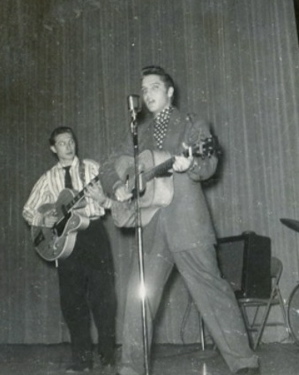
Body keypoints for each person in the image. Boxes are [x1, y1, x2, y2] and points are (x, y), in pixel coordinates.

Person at [99, 66, 260, 375]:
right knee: (138, 298)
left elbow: (208, 161)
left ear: (170, 92)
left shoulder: (191, 124)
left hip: (187, 222)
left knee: (212, 291)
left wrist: (191, 165)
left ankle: (245, 364)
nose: (147, 95)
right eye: (144, 90)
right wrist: (118, 185)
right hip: (152, 227)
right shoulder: (140, 134)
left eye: (154, 88)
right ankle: (131, 369)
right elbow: (108, 165)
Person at [23, 126, 116, 373]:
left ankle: (108, 358)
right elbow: (28, 209)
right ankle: (82, 361)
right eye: (62, 143)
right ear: (53, 148)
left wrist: (99, 197)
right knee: (73, 303)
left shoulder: (93, 169)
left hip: (93, 236)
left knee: (104, 299)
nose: (68, 146)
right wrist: (45, 220)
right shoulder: (48, 178)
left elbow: (110, 198)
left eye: (71, 141)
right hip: (65, 244)